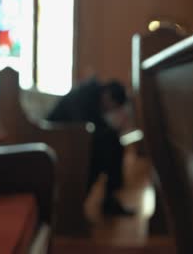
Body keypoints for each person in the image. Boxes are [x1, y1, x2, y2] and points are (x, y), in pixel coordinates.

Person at [47, 77, 134, 216]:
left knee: (113, 144)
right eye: (113, 105)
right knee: (104, 151)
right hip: (57, 138)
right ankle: (79, 203)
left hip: (72, 136)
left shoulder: (94, 96)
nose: (109, 110)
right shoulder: (85, 95)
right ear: (108, 95)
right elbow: (82, 124)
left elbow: (93, 126)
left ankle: (106, 199)